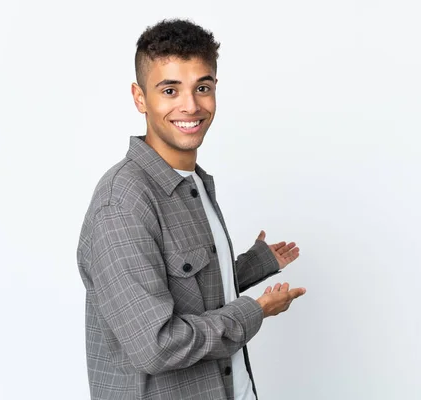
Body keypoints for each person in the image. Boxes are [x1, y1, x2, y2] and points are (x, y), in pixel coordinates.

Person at [76, 18, 306, 400]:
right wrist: (256, 310)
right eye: (170, 89)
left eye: (203, 87)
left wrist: (255, 265)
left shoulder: (192, 183)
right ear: (139, 97)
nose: (191, 105)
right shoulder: (123, 204)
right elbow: (157, 343)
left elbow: (187, 288)